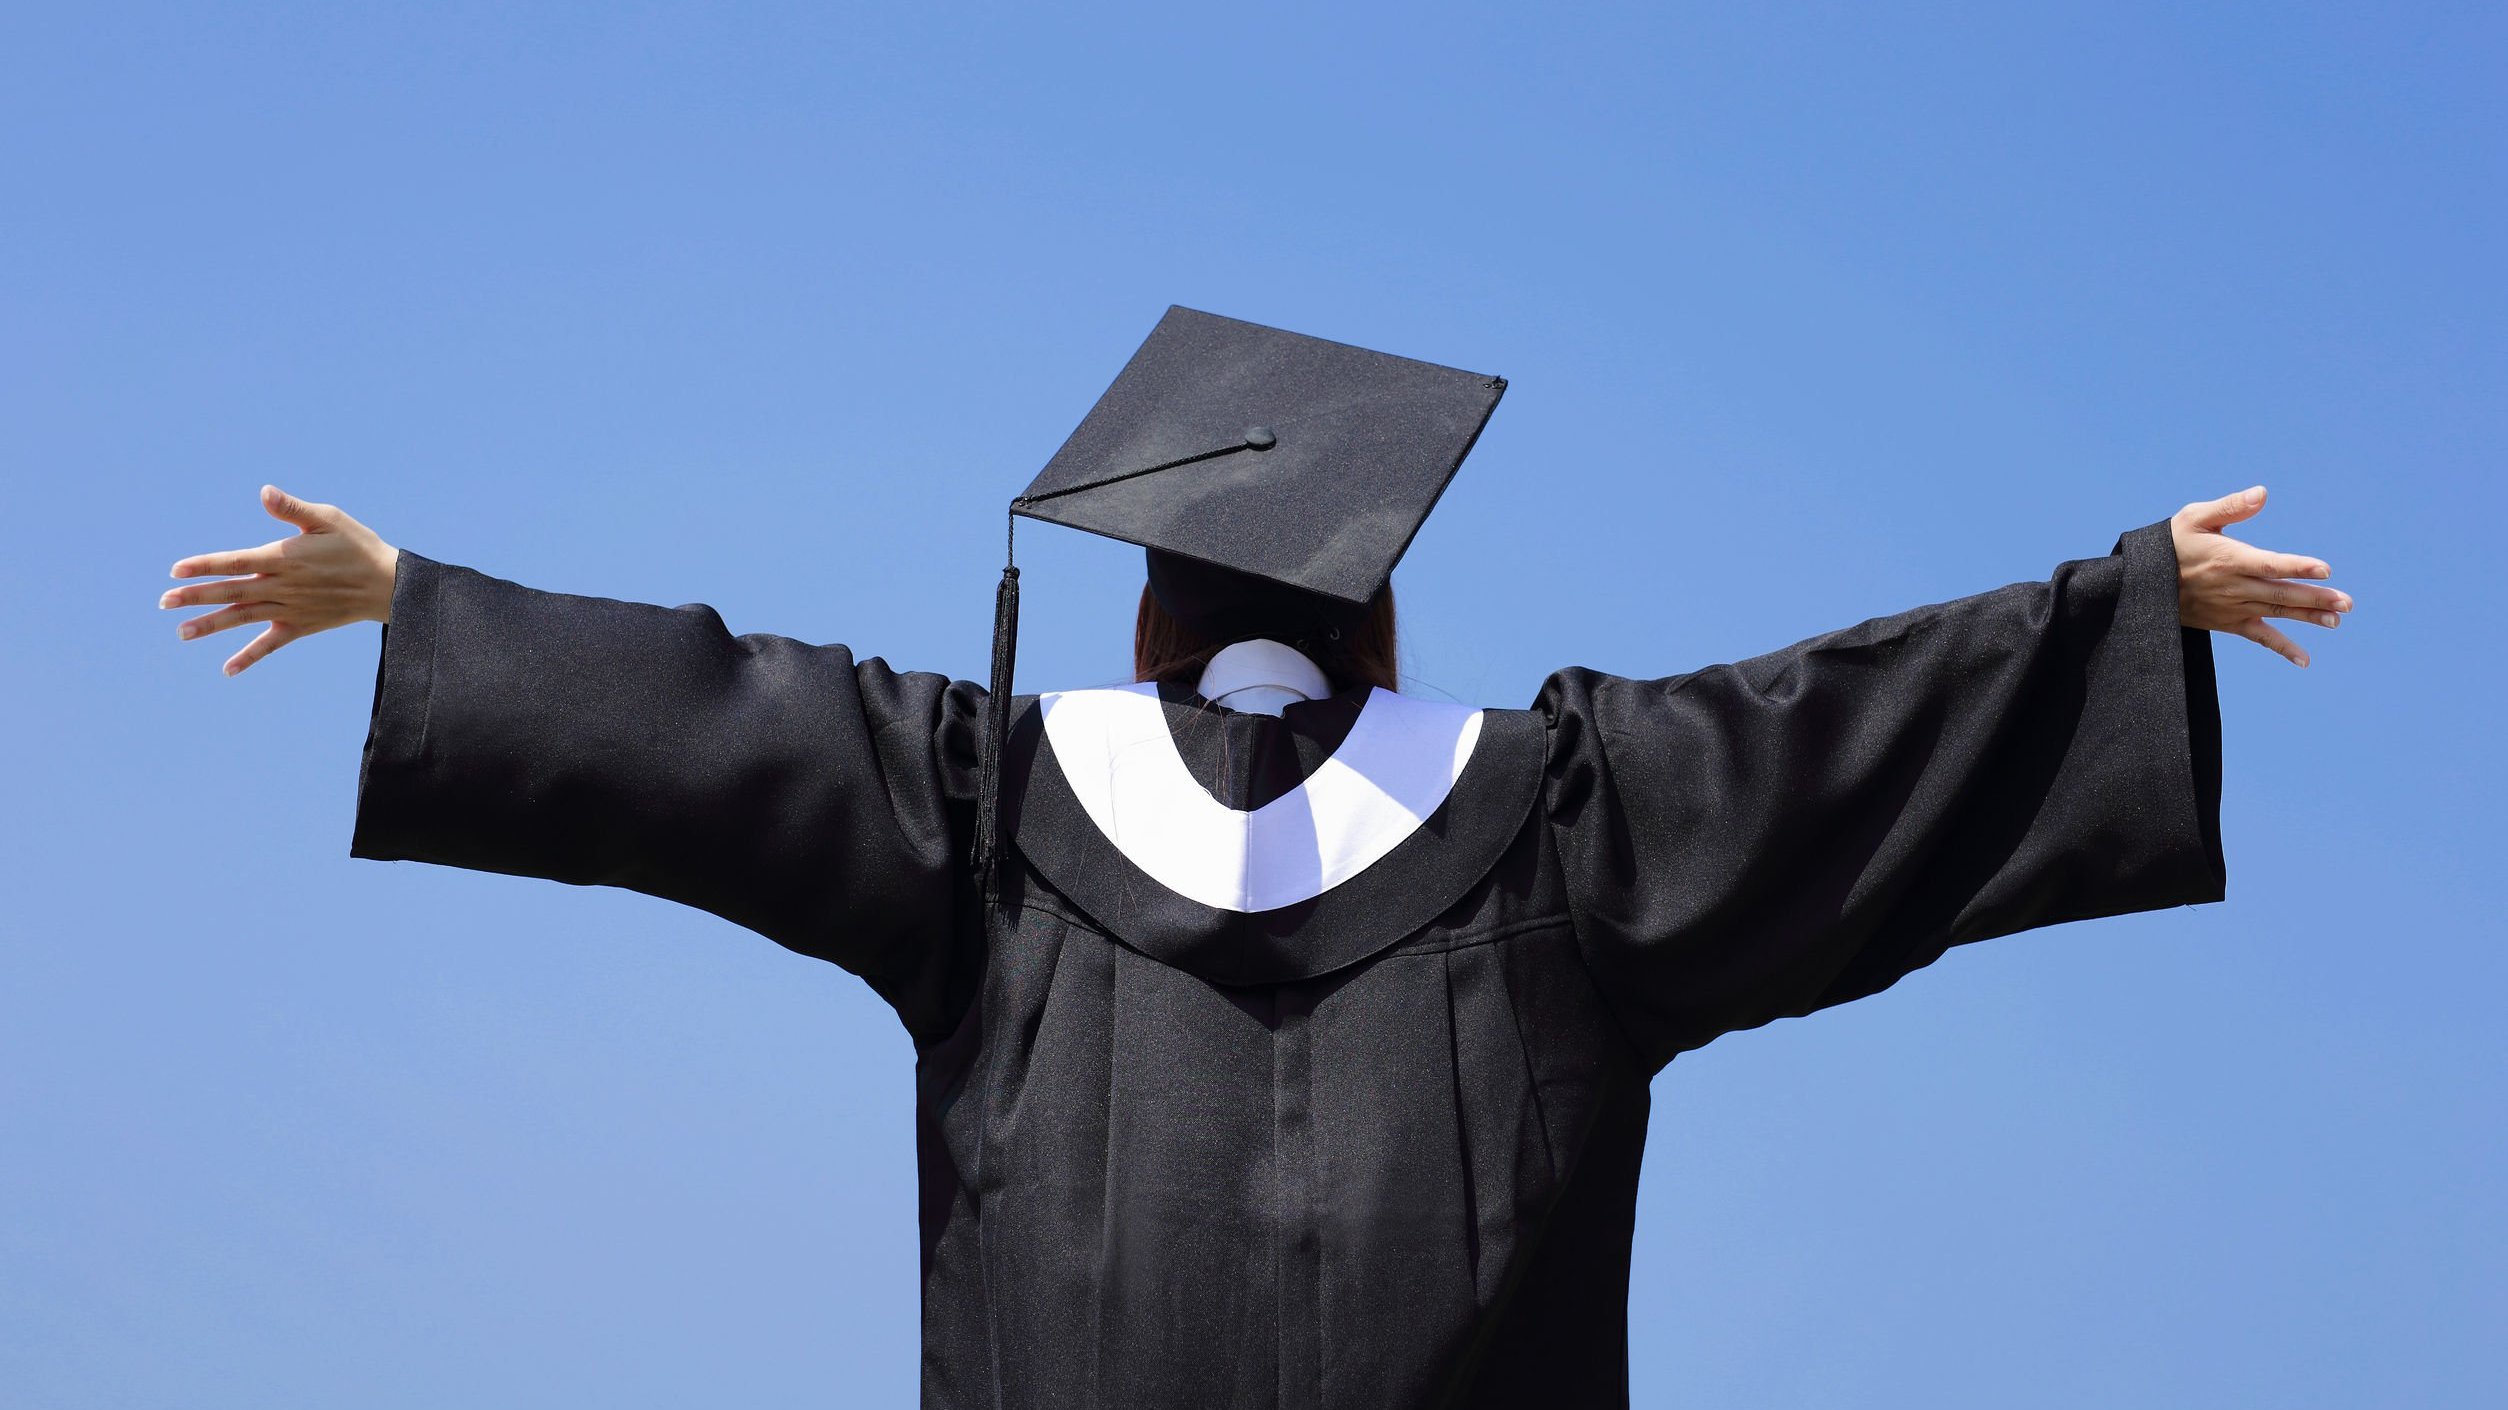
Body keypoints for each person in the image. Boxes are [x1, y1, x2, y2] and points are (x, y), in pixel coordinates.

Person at [161, 309, 2349, 1409]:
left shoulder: (982, 811)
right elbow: (1843, 735)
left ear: (1141, 625)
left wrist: (423, 606)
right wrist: (2116, 605)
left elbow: (708, 720)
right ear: (1389, 627)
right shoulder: (1572, 825)